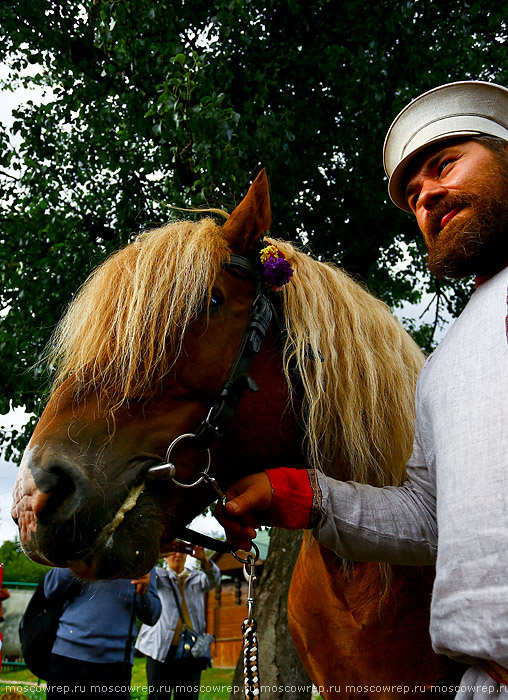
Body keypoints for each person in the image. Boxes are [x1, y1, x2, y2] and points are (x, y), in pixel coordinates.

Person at [214, 80, 508, 700]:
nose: (425, 194)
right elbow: (429, 520)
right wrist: (292, 493)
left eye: (444, 164)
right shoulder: (445, 363)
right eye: (412, 193)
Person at [44, 567, 161, 700]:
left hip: (115, 666)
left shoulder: (142, 559)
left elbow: (152, 616)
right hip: (68, 659)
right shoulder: (80, 549)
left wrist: (143, 593)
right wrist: (75, 559)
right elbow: (51, 589)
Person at [135, 543, 220, 700]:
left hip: (190, 650)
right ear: (166, 556)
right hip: (160, 648)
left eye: (181, 552)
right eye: (172, 553)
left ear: (186, 556)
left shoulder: (197, 578)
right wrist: (156, 553)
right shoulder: (157, 576)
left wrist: (204, 560)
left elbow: (214, 579)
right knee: (159, 696)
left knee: (188, 696)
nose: (177, 556)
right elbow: (141, 570)